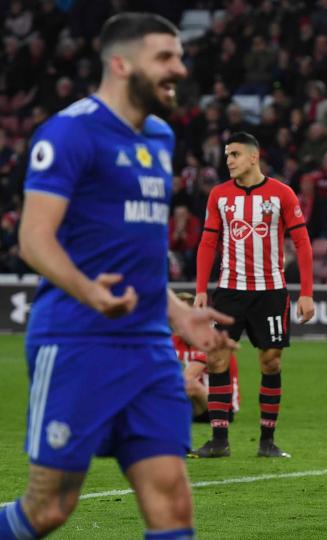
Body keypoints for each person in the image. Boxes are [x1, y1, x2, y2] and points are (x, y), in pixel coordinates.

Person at [2, 13, 236, 540]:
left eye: (179, 55)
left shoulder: (159, 136)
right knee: (47, 510)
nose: (179, 67)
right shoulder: (68, 133)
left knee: (173, 502)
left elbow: (141, 243)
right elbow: (35, 239)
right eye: (165, 58)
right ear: (120, 63)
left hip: (149, 349)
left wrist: (178, 313)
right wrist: (90, 293)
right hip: (76, 341)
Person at [193, 132, 317, 459]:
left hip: (271, 293)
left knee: (271, 362)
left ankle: (267, 442)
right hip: (229, 293)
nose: (228, 160)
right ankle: (219, 441)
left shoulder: (282, 194)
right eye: (226, 155)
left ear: (253, 157)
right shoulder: (219, 196)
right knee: (217, 358)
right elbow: (208, 244)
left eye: (234, 154)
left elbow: (303, 244)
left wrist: (306, 293)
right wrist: (201, 290)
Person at [172, 292, 241, 422]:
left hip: (222, 407)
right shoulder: (173, 340)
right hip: (194, 402)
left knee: (190, 384)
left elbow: (188, 377)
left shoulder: (207, 340)